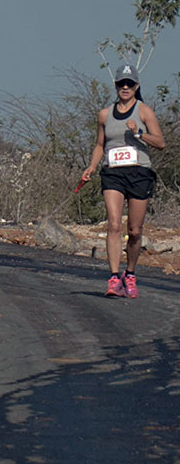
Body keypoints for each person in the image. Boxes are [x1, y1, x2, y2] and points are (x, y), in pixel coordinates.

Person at [80, 63, 166, 299]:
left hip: (139, 173)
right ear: (116, 86)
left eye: (129, 84)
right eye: (121, 84)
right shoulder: (105, 114)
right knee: (114, 225)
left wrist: (139, 133)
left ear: (136, 86)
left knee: (135, 231)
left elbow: (160, 142)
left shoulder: (144, 111)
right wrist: (92, 166)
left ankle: (130, 273)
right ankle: (114, 277)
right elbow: (100, 145)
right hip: (113, 173)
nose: (125, 87)